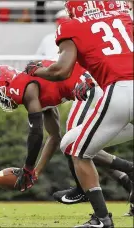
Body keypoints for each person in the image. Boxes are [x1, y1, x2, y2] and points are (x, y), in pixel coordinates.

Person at [24, 1, 133, 227]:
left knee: (78, 151)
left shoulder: (72, 26)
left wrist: (36, 70)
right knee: (70, 141)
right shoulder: (123, 18)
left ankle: (101, 219)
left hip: (120, 91)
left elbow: (61, 70)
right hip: (121, 89)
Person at [0, 63, 133, 198]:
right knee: (79, 146)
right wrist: (35, 173)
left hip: (90, 88)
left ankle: (85, 190)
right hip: (91, 90)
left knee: (75, 144)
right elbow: (54, 137)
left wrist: (28, 168)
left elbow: (36, 133)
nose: (1, 100)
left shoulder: (29, 88)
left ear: (8, 84)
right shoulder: (38, 89)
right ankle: (126, 180)